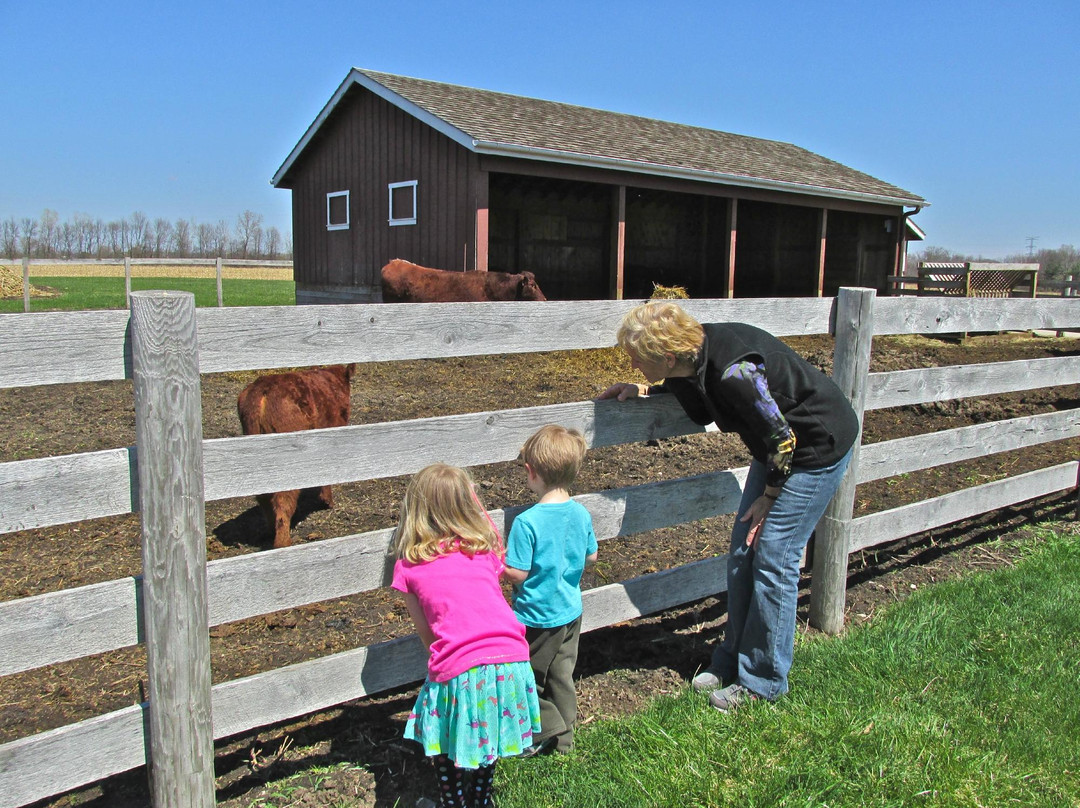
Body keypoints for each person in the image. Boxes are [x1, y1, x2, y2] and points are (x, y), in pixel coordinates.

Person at [598, 301, 858, 712]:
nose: (630, 362)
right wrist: (645, 389)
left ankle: (764, 682)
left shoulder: (734, 371)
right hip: (774, 448)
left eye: (636, 358)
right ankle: (733, 659)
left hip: (813, 446)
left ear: (665, 355)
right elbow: (704, 402)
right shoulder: (688, 360)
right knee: (742, 550)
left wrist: (770, 498)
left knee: (774, 553)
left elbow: (784, 440)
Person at [391, 463, 542, 808]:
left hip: (461, 665)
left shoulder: (409, 566)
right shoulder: (484, 551)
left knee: (443, 739)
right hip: (513, 658)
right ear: (470, 504)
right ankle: (481, 798)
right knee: (490, 730)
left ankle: (453, 802)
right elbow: (489, 532)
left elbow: (430, 641)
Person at [504, 425, 598, 755]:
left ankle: (539, 732)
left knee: (525, 675)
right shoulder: (580, 512)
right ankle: (565, 742)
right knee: (561, 675)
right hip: (571, 611)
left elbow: (517, 574)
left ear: (531, 472)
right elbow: (592, 555)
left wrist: (496, 561)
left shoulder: (527, 523)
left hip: (537, 617)